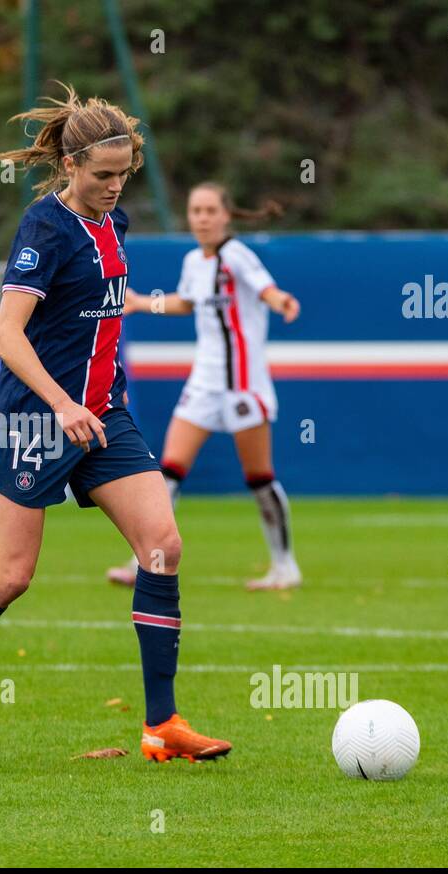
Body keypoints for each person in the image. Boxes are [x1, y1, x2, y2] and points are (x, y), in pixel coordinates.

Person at [0, 83, 233, 766]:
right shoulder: (43, 227)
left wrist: (154, 304)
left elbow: (104, 294)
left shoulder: (116, 222)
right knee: (11, 575)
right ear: (70, 165)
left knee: (161, 543)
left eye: (123, 173)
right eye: (103, 175)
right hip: (36, 422)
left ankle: (161, 723)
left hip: (104, 414)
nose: (114, 186)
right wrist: (61, 405)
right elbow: (6, 335)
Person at [107, 183, 302, 591]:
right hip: (204, 381)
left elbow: (266, 288)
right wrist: (144, 303)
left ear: (226, 215)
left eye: (210, 210)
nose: (202, 218)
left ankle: (285, 566)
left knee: (259, 478)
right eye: (196, 210)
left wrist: (282, 300)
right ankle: (146, 560)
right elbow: (186, 302)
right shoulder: (195, 260)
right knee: (168, 471)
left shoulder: (237, 256)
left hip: (244, 384)